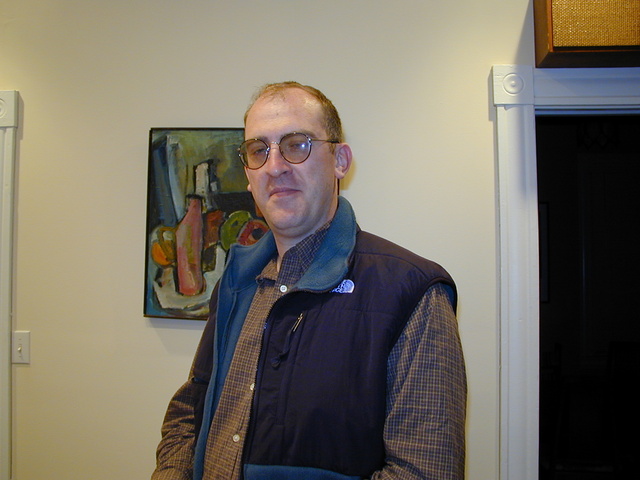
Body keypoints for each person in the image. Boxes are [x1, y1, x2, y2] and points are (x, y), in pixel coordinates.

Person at [152, 81, 467, 480]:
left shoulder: (412, 293)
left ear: (340, 161)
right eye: (258, 150)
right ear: (248, 175)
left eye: (296, 144)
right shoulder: (237, 282)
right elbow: (190, 408)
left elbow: (424, 470)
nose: (274, 166)